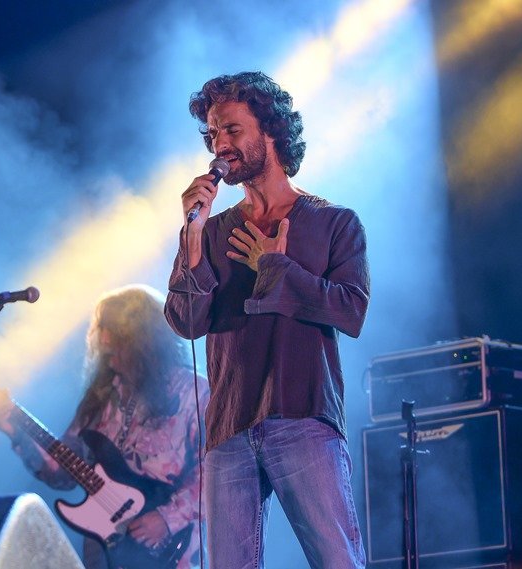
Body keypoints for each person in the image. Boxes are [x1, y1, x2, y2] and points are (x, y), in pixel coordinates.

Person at [164, 71, 370, 568]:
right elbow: (186, 323)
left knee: (337, 561)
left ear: (271, 131)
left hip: (303, 417)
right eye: (213, 134)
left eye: (233, 130)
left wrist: (275, 267)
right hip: (228, 428)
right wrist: (191, 242)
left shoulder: (333, 222)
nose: (220, 145)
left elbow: (350, 310)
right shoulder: (210, 230)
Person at [0, 284, 207, 569]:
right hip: (105, 548)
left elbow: (216, 471)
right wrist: (17, 433)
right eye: (101, 329)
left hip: (174, 546)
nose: (104, 340)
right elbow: (62, 473)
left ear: (144, 336)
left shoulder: (192, 392)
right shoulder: (100, 397)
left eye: (114, 331)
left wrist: (167, 518)